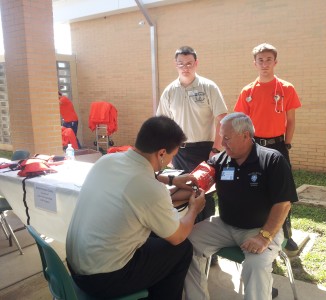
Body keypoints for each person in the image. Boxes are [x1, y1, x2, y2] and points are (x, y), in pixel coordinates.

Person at [66, 116, 206, 300]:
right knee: (181, 249)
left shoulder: (106, 161)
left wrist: (171, 179)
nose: (172, 160)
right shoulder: (148, 189)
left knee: (155, 235)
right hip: (102, 279)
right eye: (173, 155)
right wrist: (194, 208)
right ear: (162, 153)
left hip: (76, 266)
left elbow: (137, 176)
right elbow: (178, 236)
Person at [184, 112, 298, 300]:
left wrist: (264, 237)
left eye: (227, 138)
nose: (222, 142)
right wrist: (173, 181)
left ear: (245, 135)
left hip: (262, 229)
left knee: (255, 266)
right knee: (186, 244)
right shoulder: (221, 160)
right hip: (225, 225)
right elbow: (198, 180)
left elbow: (283, 204)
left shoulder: (272, 160)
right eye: (222, 137)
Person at [234, 43, 301, 253]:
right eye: (260, 60)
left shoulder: (286, 89)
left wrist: (286, 144)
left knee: (283, 192)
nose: (264, 64)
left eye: (268, 60)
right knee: (255, 189)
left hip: (278, 146)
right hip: (253, 147)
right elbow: (241, 122)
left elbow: (291, 120)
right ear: (254, 63)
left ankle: (287, 235)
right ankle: (257, 230)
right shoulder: (247, 91)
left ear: (275, 62)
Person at [156, 46, 228, 240]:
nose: (185, 68)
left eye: (189, 64)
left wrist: (215, 149)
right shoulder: (170, 91)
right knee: (183, 193)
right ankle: (187, 238)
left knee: (205, 194)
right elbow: (162, 123)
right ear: (175, 64)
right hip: (179, 151)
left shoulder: (208, 87)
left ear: (196, 64)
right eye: (181, 64)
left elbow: (222, 118)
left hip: (205, 150)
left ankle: (208, 244)